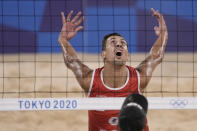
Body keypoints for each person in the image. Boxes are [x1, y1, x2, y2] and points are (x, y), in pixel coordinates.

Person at [58, 8, 168, 131]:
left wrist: (164, 35)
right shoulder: (90, 81)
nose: (119, 44)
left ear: (128, 55)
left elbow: (156, 56)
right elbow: (72, 61)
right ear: (103, 54)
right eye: (113, 42)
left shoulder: (138, 78)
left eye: (123, 43)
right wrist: (63, 40)